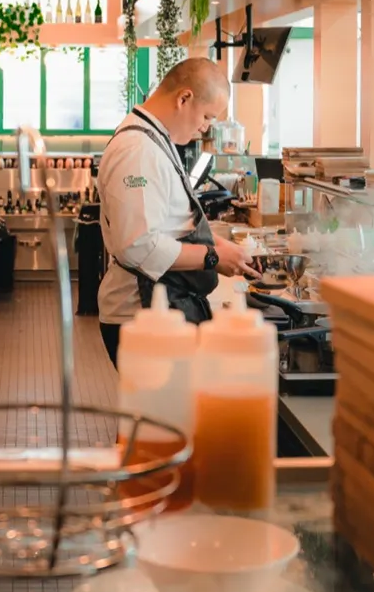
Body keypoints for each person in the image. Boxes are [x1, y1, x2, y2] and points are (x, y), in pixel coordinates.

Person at [96, 57, 258, 364]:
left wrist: (216, 245)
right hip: (141, 313)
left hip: (161, 309)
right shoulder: (137, 150)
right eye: (207, 117)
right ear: (184, 98)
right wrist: (212, 257)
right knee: (167, 412)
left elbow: (166, 224)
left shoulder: (155, 138)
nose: (205, 128)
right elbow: (138, 246)